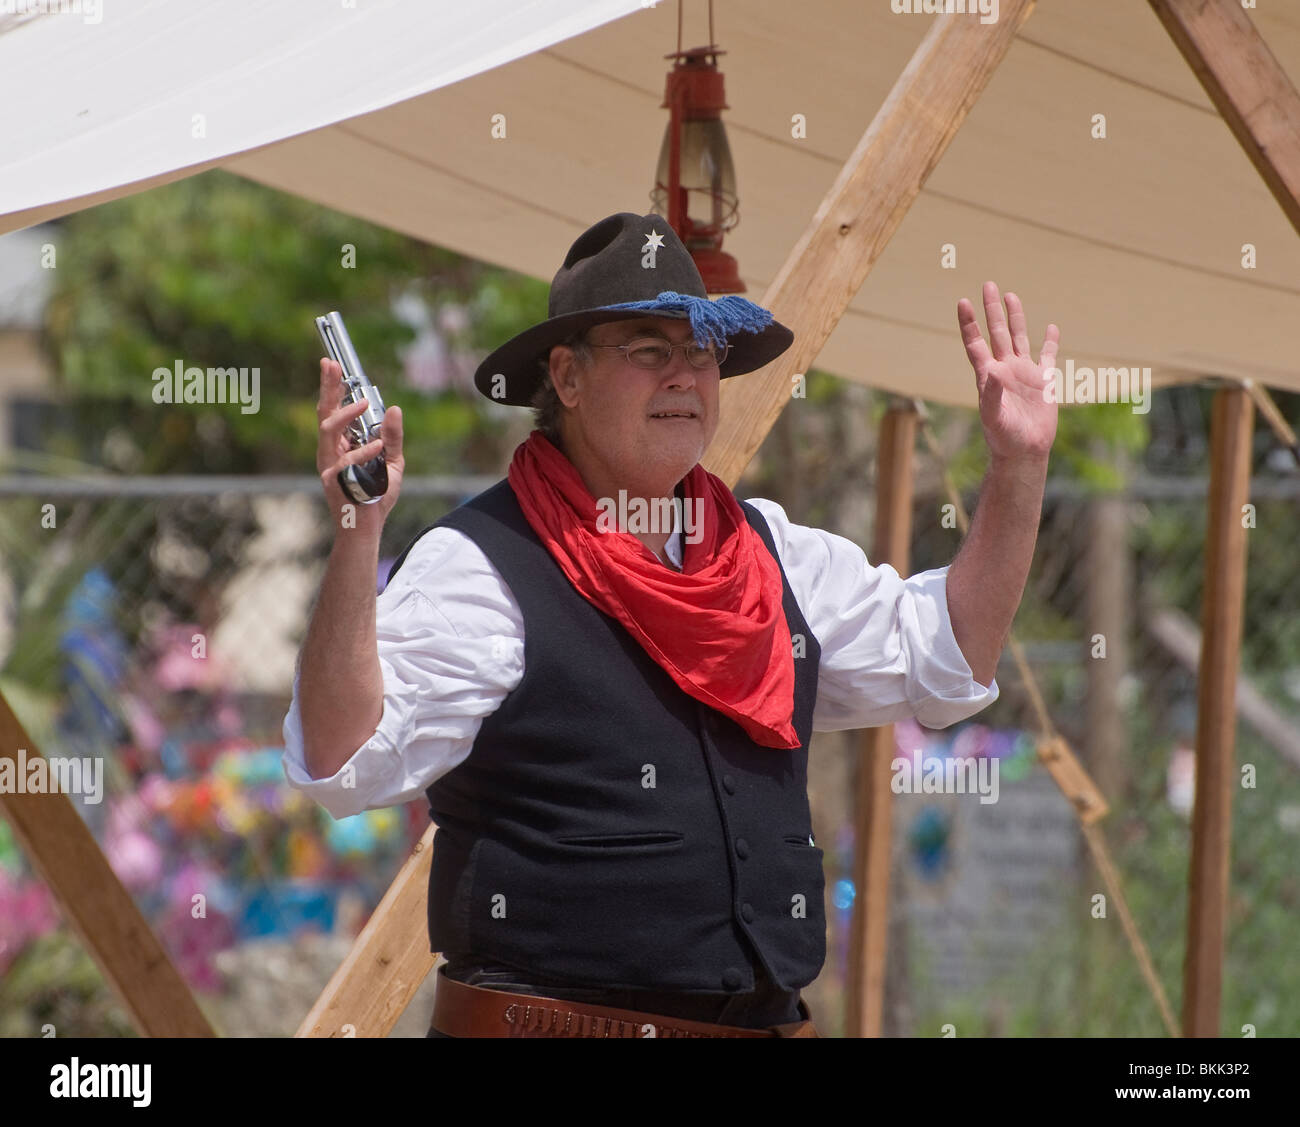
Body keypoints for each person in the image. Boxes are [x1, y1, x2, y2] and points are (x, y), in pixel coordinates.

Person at [281, 211, 1059, 1038]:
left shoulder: (772, 556)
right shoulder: (482, 564)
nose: (685, 375)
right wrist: (358, 531)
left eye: (702, 352)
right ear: (567, 378)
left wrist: (1018, 464)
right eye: (651, 350)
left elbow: (950, 654)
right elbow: (340, 758)